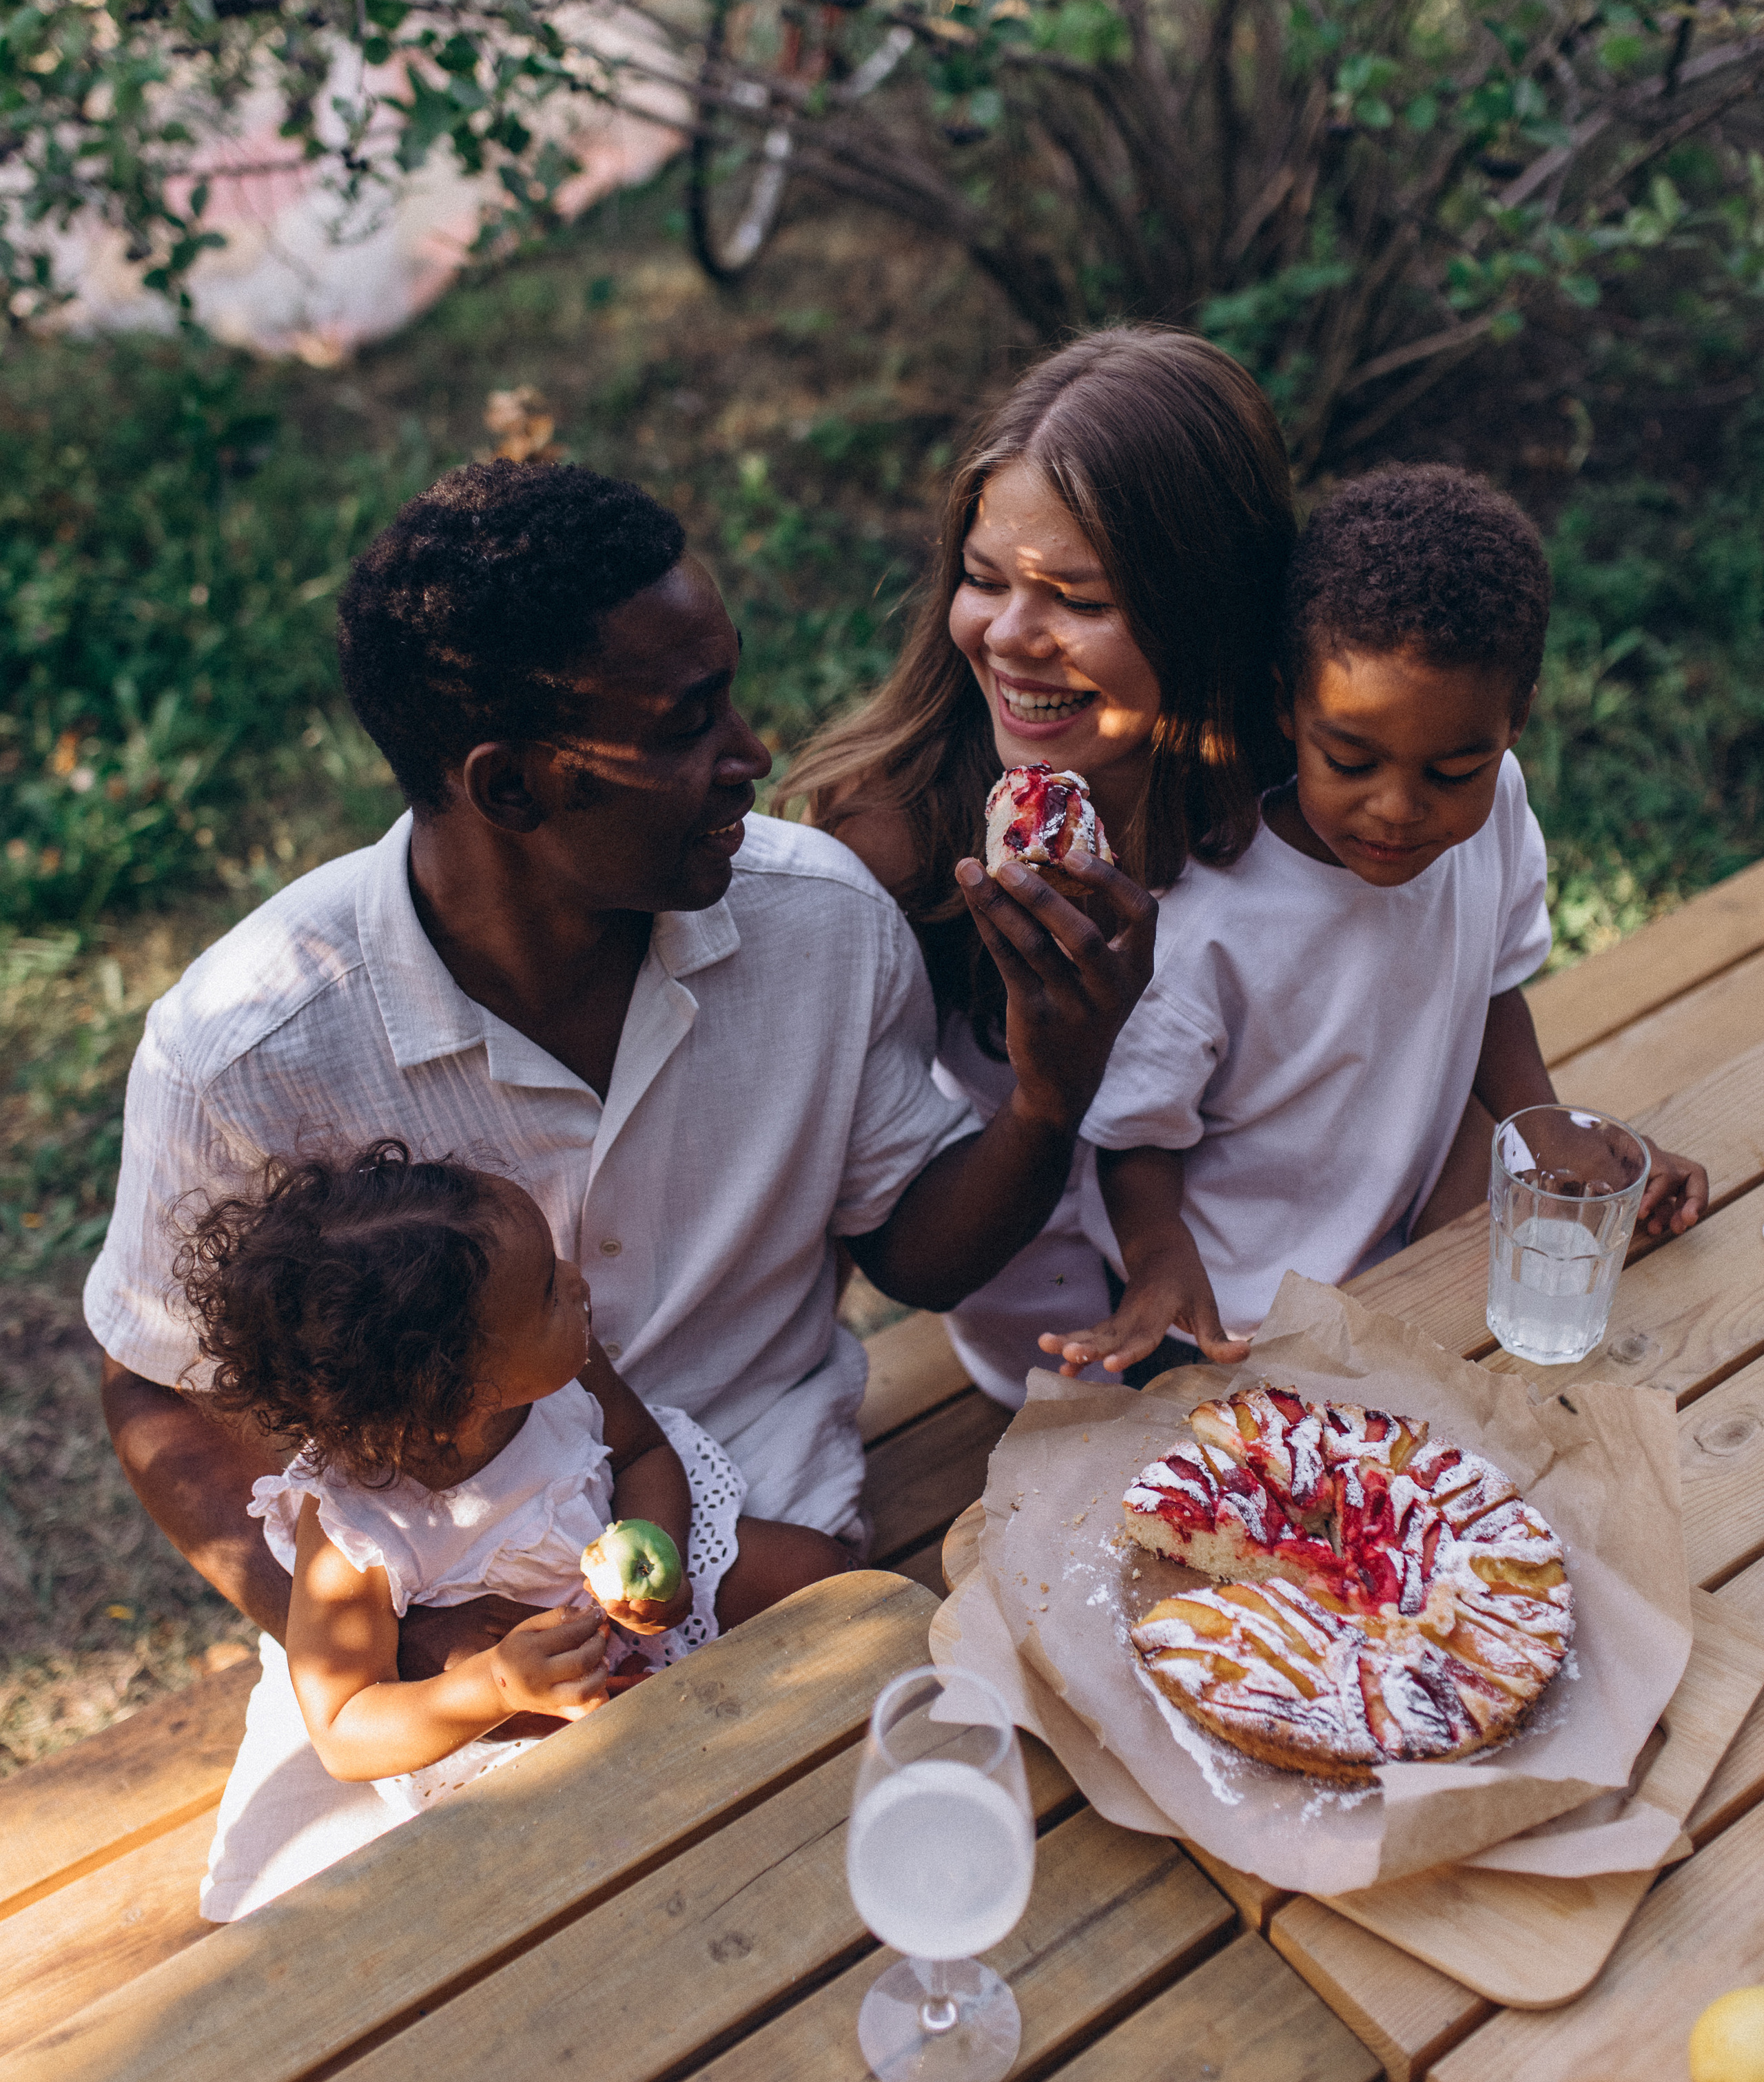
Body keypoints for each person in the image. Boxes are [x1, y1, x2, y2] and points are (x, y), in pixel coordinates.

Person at [90, 457, 1155, 1901]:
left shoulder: (819, 926)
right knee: (367, 1964)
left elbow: (913, 1251)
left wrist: (1049, 1092)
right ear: (508, 784)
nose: (753, 754)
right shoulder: (251, 1052)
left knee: (922, 1867)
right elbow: (158, 1389)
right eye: (688, 723)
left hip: (759, 1525)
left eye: (730, 696)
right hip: (441, 1597)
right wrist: (406, 1643)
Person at [1040, 464, 1708, 1374]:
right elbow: (1133, 1137)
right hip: (1228, 1321)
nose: (1398, 810)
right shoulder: (1208, 924)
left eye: (1451, 773)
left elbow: (1487, 984)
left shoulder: (1497, 809)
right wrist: (1160, 1262)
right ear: (1288, 705)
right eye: (1351, 761)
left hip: (1402, 1256)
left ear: (1516, 721)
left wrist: (1549, 1130)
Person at [786, 327, 1297, 1403]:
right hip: (1047, 1370)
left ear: (1212, 612)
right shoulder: (899, 842)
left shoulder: (1305, 794)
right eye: (984, 580)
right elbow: (869, 1219)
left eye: (1082, 600)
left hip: (1284, 1315)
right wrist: (1052, 1083)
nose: (1013, 635)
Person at [175, 1142, 848, 1915]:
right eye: (549, 1295)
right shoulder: (354, 1528)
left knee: (816, 1572)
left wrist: (657, 1559)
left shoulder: (565, 1372)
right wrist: (493, 1687)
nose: (577, 1281)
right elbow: (342, 1725)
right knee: (615, 1816)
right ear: (462, 1390)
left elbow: (642, 1451)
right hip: (512, 1706)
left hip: (625, 1608)